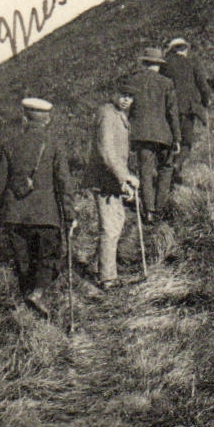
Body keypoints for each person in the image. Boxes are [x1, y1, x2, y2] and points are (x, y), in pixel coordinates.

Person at [0, 97, 74, 316]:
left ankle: (26, 309)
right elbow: (63, 181)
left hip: (14, 215)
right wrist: (69, 213)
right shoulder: (55, 145)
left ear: (24, 119)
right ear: (47, 120)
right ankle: (38, 294)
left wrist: (3, 214)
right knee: (48, 256)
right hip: (45, 215)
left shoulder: (9, 145)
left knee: (23, 261)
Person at [88, 80, 138, 288]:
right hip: (104, 180)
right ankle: (107, 278)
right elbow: (106, 153)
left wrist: (125, 176)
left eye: (130, 96)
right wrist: (124, 177)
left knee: (116, 223)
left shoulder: (117, 114)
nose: (126, 100)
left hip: (112, 179)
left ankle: (101, 267)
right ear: (113, 94)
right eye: (123, 94)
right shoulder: (107, 115)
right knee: (110, 228)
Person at [127, 47, 179, 223]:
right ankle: (160, 207)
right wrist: (177, 137)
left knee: (145, 172)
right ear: (158, 64)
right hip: (164, 134)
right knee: (165, 168)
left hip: (141, 134)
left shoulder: (133, 81)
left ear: (144, 63)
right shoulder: (166, 83)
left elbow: (126, 109)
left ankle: (149, 210)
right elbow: (172, 113)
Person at [161, 37, 211, 187]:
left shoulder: (165, 64)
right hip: (188, 108)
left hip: (169, 108)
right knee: (187, 141)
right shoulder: (193, 61)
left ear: (172, 49)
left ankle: (167, 170)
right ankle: (178, 164)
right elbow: (202, 83)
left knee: (172, 140)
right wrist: (206, 100)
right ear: (185, 49)